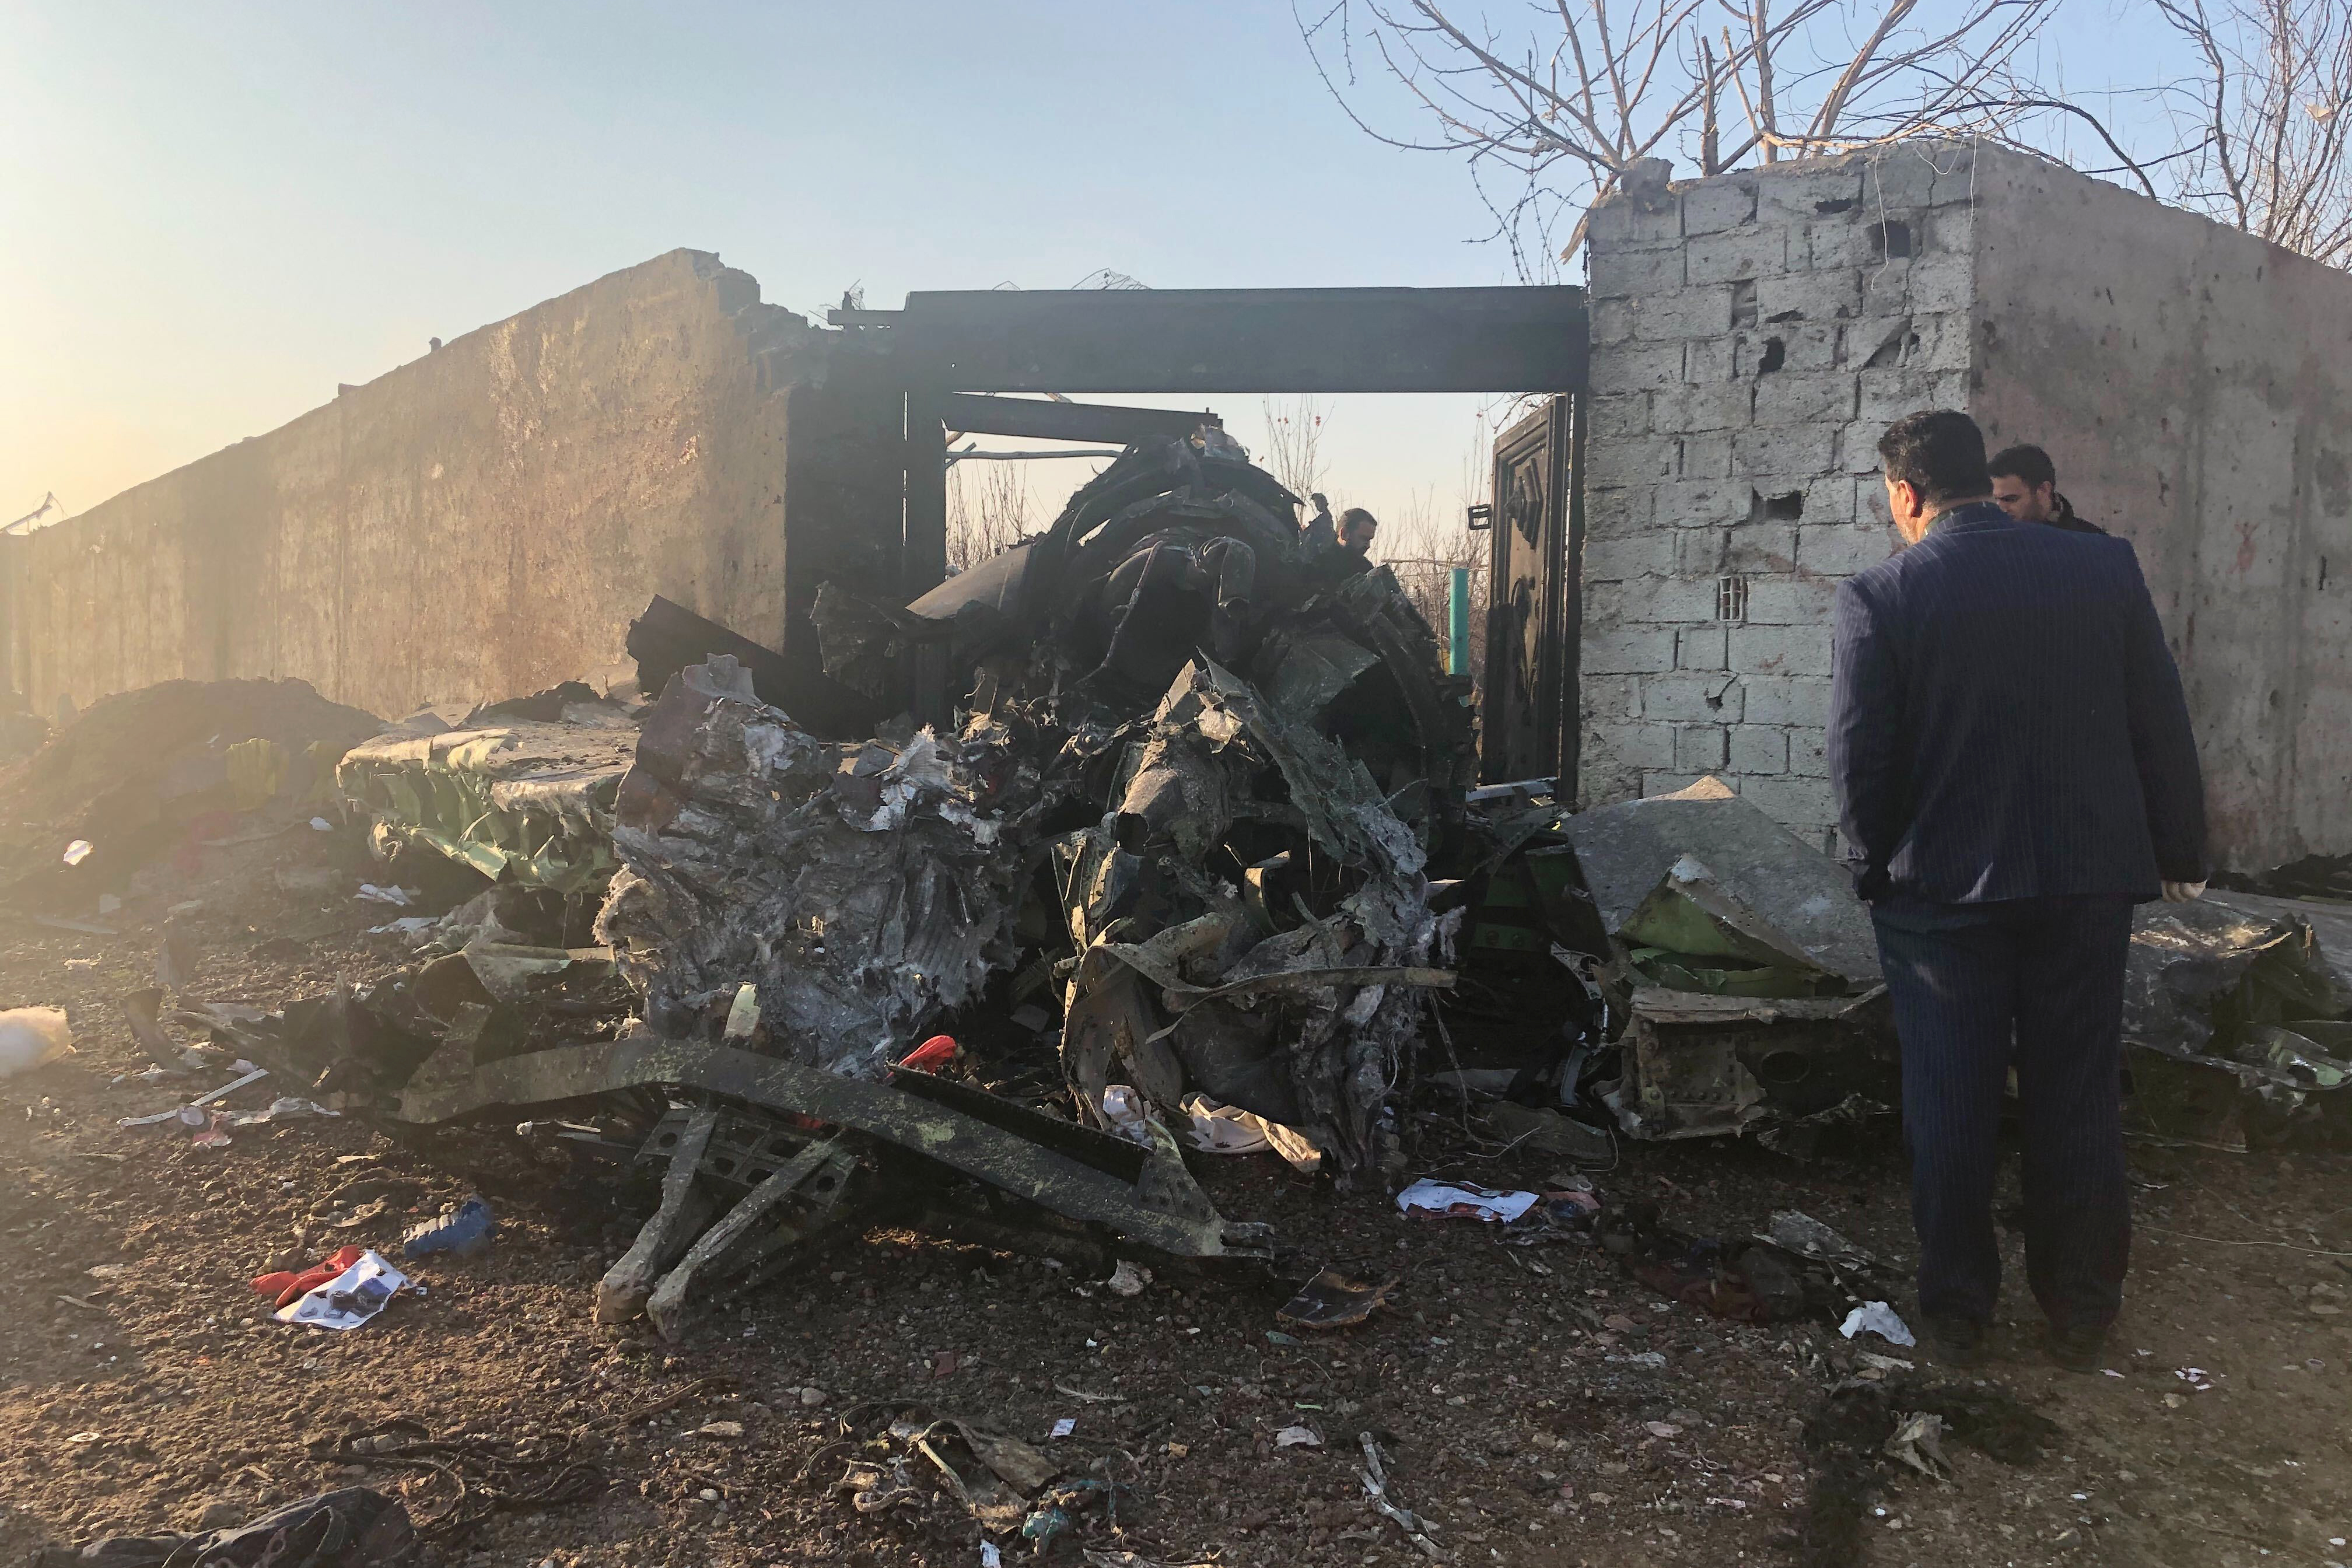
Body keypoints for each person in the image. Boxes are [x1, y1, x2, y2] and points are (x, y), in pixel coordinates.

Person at [1827, 410, 2207, 1374]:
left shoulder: (1884, 591)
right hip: (2085, 880)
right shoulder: (2100, 568)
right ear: (1979, 476)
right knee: (2074, 1093)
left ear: (1906, 495)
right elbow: (2157, 715)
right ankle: (2081, 1311)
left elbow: (1860, 757)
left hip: (1942, 894)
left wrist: (1868, 867)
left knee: (1950, 1097)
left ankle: (1957, 1311)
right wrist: (2177, 847)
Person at [1988, 443, 2104, 534]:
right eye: (1996, 500)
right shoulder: (1994, 539)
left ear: (2044, 490)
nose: (2001, 509)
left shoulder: (2092, 542)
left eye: (2010, 499)